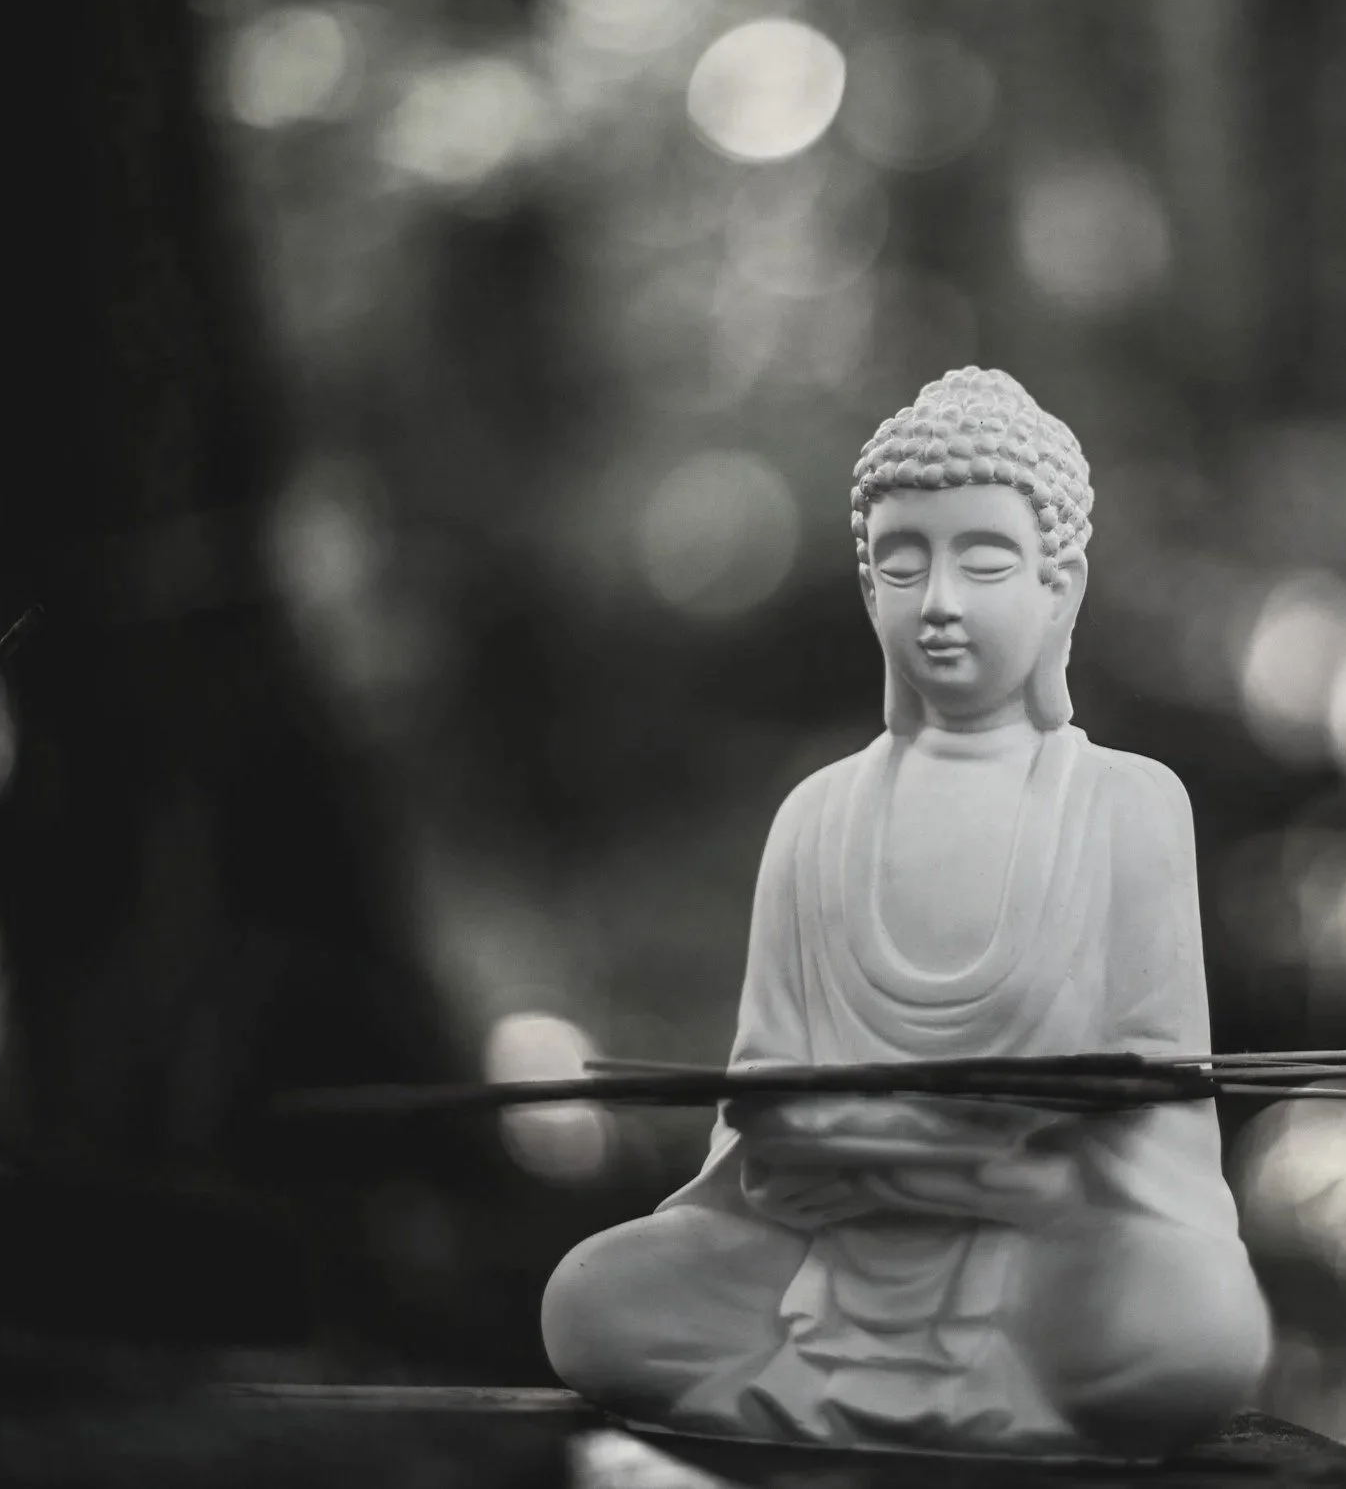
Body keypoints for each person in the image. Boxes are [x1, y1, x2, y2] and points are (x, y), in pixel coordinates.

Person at [541, 368, 1270, 1458]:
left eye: (982, 560)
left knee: (1199, 1329)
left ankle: (899, 1396)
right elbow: (754, 1128)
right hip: (826, 1252)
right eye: (899, 560)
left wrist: (1017, 1170)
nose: (938, 600)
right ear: (865, 583)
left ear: (1059, 584)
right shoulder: (815, 817)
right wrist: (845, 1150)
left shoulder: (1129, 804)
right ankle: (979, 1407)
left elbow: (1162, 1128)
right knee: (591, 1299)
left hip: (1049, 1256)